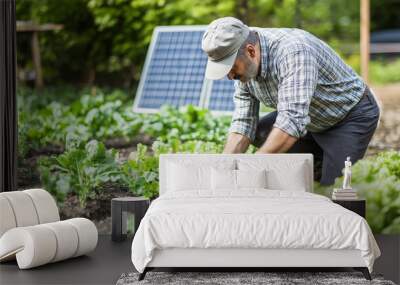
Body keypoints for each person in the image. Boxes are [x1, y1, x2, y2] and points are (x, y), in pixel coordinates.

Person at [201, 17, 381, 185]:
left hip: (348, 117)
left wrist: (253, 171)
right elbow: (243, 123)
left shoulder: (293, 51)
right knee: (260, 133)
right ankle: (317, 161)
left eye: (232, 68)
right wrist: (223, 170)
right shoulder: (241, 53)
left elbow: (292, 120)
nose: (230, 76)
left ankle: (328, 165)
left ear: (251, 51)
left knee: (334, 190)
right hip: (310, 119)